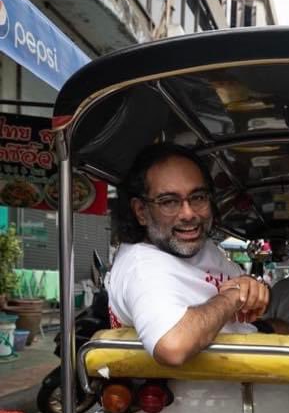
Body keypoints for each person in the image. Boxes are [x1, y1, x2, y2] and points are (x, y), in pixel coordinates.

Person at [107, 142, 269, 366]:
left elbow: (243, 286)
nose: (188, 213)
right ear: (141, 211)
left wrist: (251, 287)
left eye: (198, 197)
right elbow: (173, 346)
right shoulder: (142, 267)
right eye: (169, 202)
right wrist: (232, 297)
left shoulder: (204, 248)